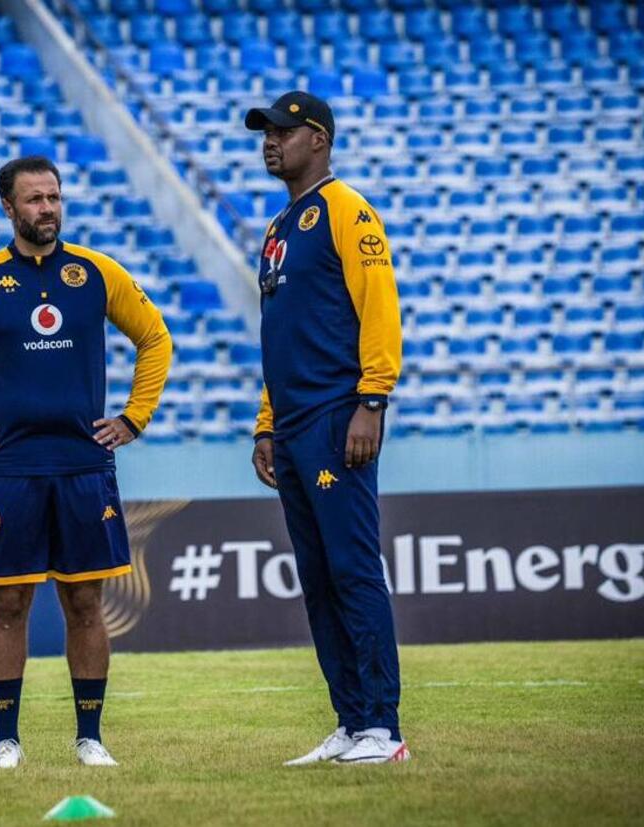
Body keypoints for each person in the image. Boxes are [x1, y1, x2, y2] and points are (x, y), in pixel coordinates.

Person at [0, 156, 173, 769]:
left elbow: (155, 337)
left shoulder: (97, 273)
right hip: (8, 472)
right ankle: (6, 742)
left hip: (83, 468)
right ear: (9, 208)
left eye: (54, 197)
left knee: (85, 604)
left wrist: (134, 417)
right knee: (8, 607)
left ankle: (90, 738)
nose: (47, 208)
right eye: (34, 199)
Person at [244, 91, 410, 765]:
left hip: (338, 416)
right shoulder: (278, 227)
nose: (270, 141)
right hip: (292, 427)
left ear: (319, 139)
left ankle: (383, 729)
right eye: (265, 132)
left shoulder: (348, 209)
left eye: (282, 131)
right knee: (317, 579)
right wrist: (266, 424)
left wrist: (373, 399)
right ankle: (350, 720)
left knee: (352, 569)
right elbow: (278, 335)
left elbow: (380, 307)